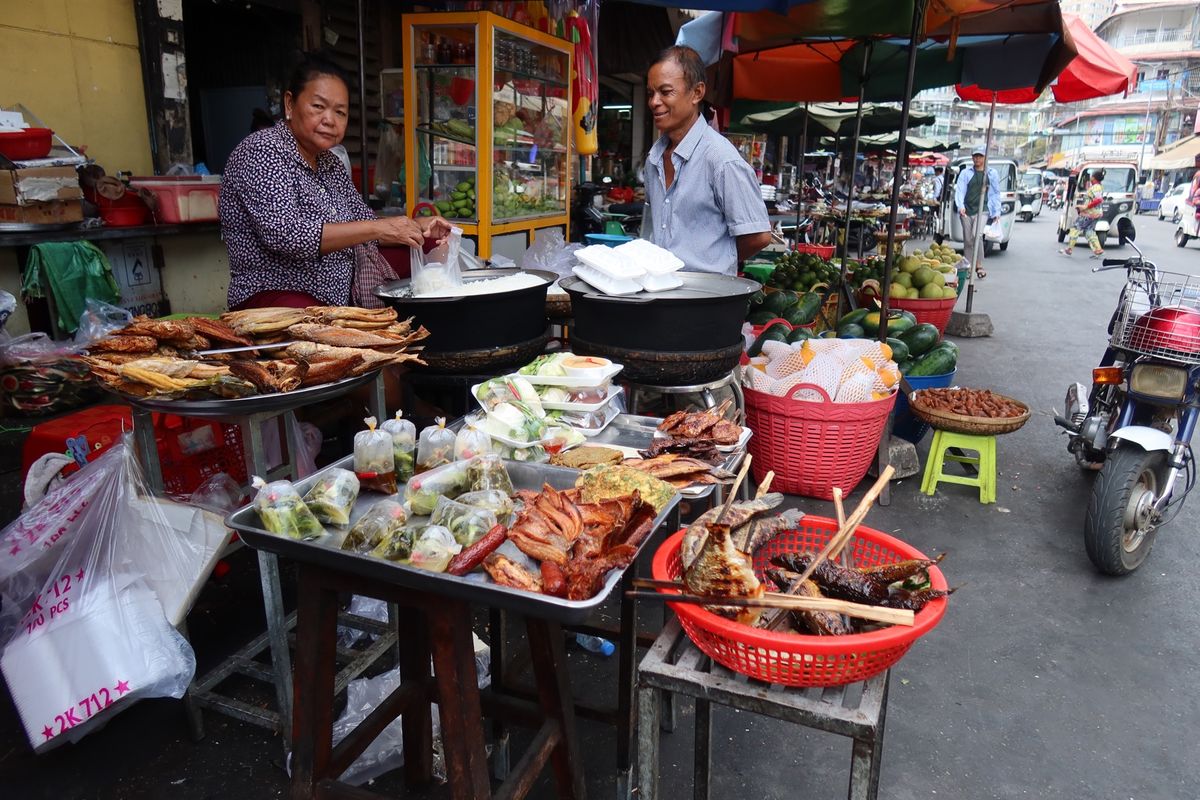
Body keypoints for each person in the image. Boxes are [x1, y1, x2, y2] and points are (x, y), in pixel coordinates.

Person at [220, 52, 450, 310]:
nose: (329, 120)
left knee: (427, 244)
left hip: (340, 287)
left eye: (340, 112)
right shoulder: (262, 151)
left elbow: (367, 224)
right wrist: (378, 229)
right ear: (289, 104)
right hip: (276, 290)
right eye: (318, 107)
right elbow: (286, 235)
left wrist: (415, 226)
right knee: (311, 322)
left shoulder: (330, 164)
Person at [642, 46, 771, 275]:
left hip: (706, 302)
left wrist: (715, 262)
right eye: (651, 93)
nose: (654, 102)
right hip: (660, 295)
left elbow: (758, 236)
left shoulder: (721, 160)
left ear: (697, 92)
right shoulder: (654, 159)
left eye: (665, 91)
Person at [954, 145, 1001, 279]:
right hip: (967, 210)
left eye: (980, 156)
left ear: (985, 158)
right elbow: (960, 191)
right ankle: (968, 266)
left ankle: (979, 265)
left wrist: (996, 212)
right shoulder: (965, 173)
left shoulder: (991, 174)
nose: (977, 159)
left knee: (976, 235)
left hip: (983, 210)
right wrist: (960, 206)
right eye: (975, 156)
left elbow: (995, 194)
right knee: (968, 240)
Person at [1059, 169, 1106, 259]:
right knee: (1089, 231)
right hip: (1095, 214)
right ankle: (1098, 250)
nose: (1090, 178)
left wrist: (1085, 207)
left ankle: (1069, 249)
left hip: (1089, 214)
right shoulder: (1098, 187)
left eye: (1091, 176)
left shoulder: (1096, 187)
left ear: (1094, 178)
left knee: (1075, 229)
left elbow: (1098, 200)